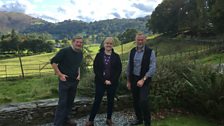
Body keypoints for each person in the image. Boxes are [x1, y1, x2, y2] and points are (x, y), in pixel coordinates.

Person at [85, 37, 122, 126]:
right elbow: (96, 69)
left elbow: (119, 70)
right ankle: (90, 120)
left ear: (113, 45)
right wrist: (104, 80)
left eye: (110, 43)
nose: (108, 45)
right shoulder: (99, 55)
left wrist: (111, 80)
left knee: (110, 101)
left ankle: (109, 119)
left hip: (112, 83)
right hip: (100, 82)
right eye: (107, 43)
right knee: (97, 100)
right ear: (104, 44)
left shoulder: (116, 56)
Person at [50, 36, 83, 126]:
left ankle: (66, 121)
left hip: (74, 81)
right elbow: (53, 62)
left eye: (81, 42)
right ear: (72, 42)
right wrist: (60, 75)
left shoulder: (80, 53)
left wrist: (79, 74)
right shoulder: (65, 51)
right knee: (62, 103)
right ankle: (58, 124)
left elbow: (78, 65)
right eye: (77, 42)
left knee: (70, 102)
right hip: (65, 81)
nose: (79, 44)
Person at [126, 32, 156, 126]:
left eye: (141, 40)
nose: (139, 41)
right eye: (138, 40)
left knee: (143, 100)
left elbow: (153, 68)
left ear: (145, 40)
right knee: (135, 100)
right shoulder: (132, 51)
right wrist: (128, 81)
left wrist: (143, 79)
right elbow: (129, 66)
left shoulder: (150, 52)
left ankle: (147, 122)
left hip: (145, 79)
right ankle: (139, 119)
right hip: (134, 79)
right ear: (135, 40)